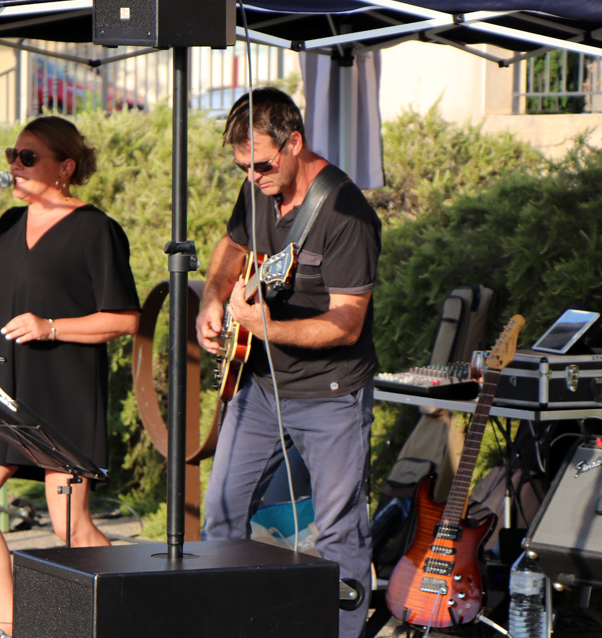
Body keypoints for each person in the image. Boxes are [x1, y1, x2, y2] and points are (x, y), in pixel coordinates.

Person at [0, 116, 141, 638]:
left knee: (68, 525)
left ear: (65, 168)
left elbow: (123, 318)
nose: (15, 166)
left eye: (28, 158)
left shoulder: (96, 229)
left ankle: (143, 610)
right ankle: (14, 625)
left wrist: (49, 326)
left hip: (59, 390)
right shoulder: (7, 224)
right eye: (13, 155)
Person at [196, 87, 382, 638]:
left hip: (331, 395)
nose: (251, 176)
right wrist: (213, 297)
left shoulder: (348, 216)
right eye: (241, 166)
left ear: (294, 143)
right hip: (260, 386)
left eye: (260, 164)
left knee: (339, 534)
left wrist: (267, 328)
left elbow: (347, 321)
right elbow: (232, 246)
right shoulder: (258, 187)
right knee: (222, 516)